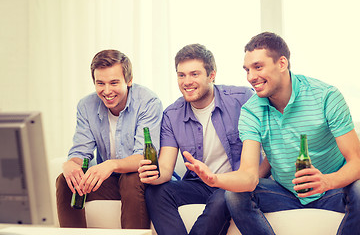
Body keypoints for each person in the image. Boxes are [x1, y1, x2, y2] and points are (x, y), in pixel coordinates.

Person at [183, 32, 360, 235]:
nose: (251, 77)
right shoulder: (251, 111)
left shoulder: (326, 96)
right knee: (234, 195)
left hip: (332, 191)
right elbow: (250, 175)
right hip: (284, 193)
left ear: (282, 63)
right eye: (247, 70)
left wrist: (327, 181)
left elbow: (356, 160)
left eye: (258, 67)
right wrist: (214, 179)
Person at [138, 43, 269, 235]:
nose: (186, 81)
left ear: (212, 75)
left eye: (194, 74)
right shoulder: (172, 115)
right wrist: (153, 175)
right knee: (156, 192)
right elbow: (165, 168)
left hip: (232, 182)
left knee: (222, 197)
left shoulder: (242, 99)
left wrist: (254, 177)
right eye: (181, 75)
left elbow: (271, 147)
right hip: (199, 184)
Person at [56, 49, 163, 229]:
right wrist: (71, 164)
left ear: (129, 81)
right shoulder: (86, 105)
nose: (106, 91)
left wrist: (111, 164)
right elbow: (81, 151)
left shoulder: (148, 101)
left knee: (131, 178)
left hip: (141, 181)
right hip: (110, 180)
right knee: (65, 181)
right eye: (100, 83)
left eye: (114, 83)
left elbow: (144, 157)